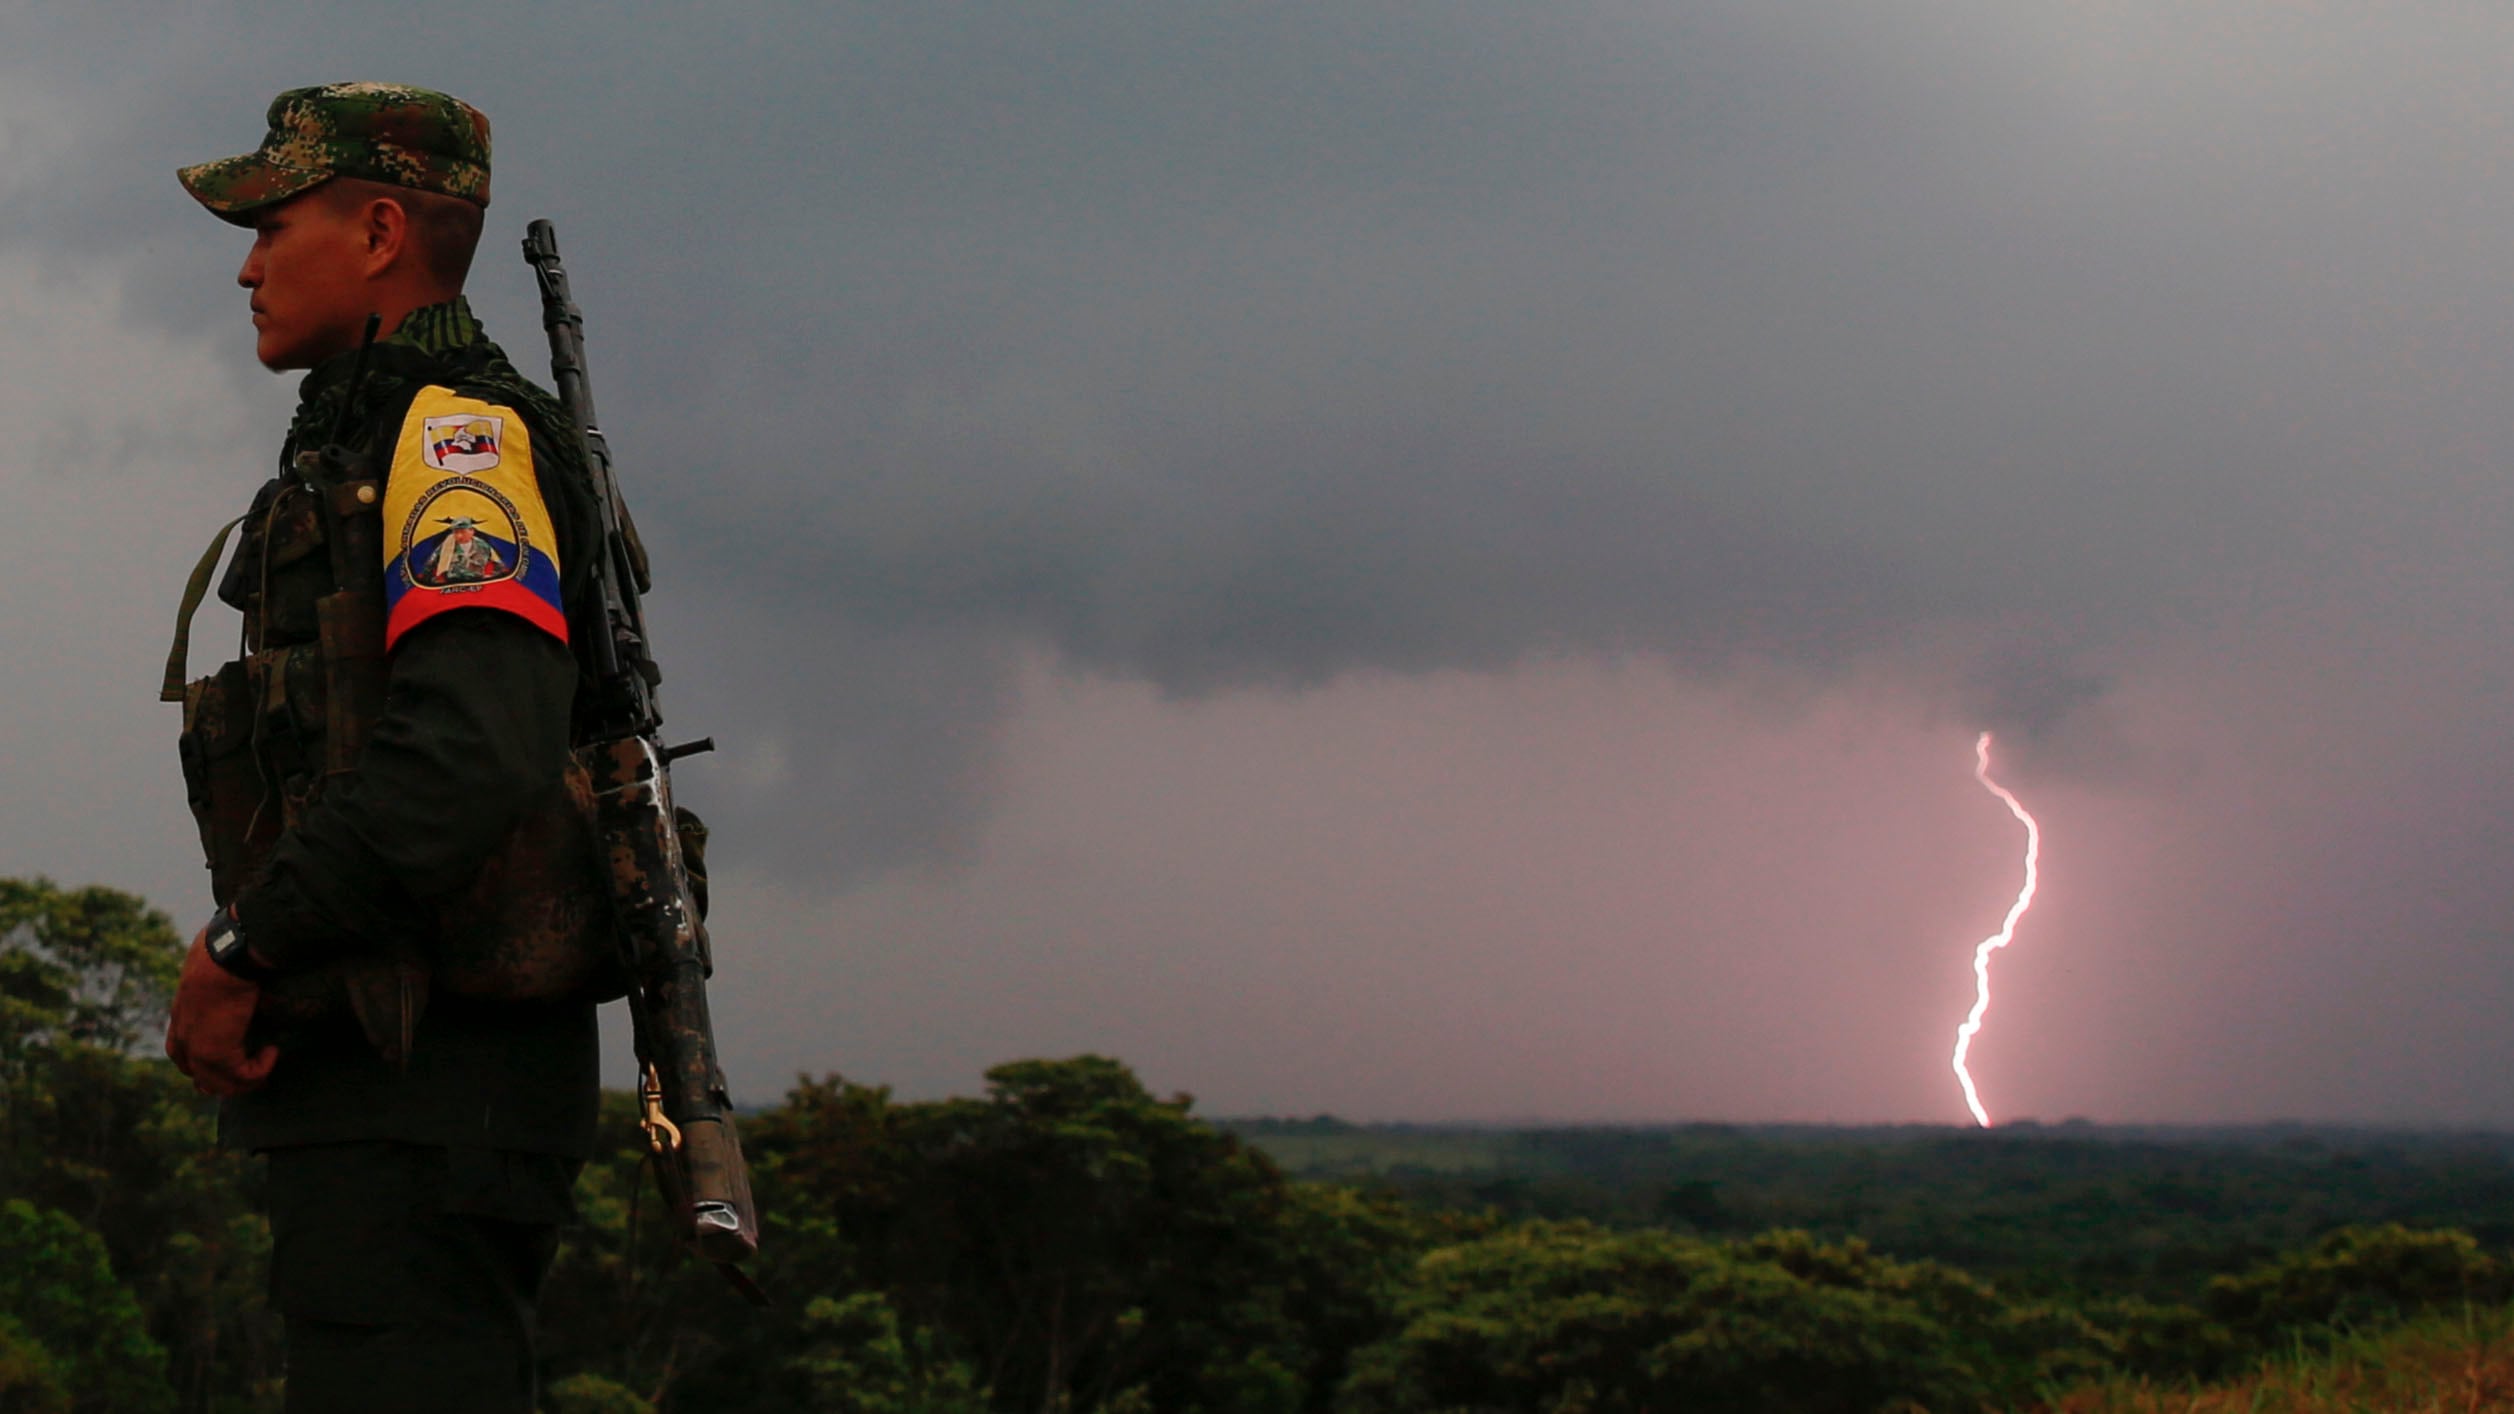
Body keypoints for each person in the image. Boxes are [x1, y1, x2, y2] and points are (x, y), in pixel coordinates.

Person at [161, 83, 605, 1413]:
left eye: (271, 222)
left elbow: (468, 751)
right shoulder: (375, 433)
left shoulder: (452, 437)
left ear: (377, 232)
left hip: (432, 1098)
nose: (246, 263)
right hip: (401, 1099)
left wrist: (247, 947)